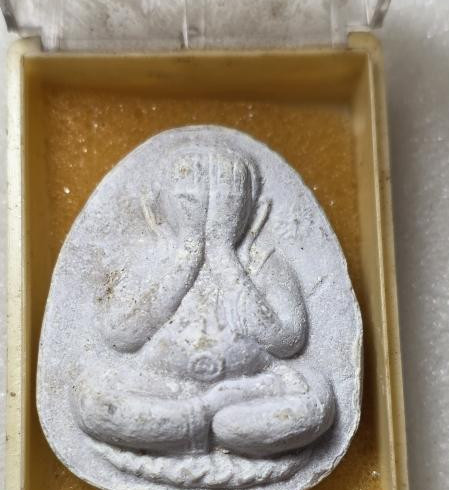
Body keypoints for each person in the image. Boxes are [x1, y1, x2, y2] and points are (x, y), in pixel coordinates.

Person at [73, 144, 334, 458]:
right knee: (92, 398)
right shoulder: (148, 261)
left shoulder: (263, 262)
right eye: (190, 200)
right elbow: (121, 336)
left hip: (249, 390)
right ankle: (204, 426)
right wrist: (189, 253)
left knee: (315, 397)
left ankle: (193, 431)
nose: (210, 210)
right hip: (159, 388)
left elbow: (288, 342)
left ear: (255, 210)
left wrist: (223, 255)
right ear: (156, 208)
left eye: (227, 201)